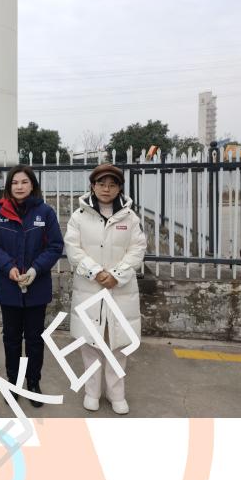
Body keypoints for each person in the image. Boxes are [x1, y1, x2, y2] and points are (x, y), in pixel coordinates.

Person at [64, 164, 146, 415]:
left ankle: (116, 394)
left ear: (119, 188)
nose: (106, 189)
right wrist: (95, 272)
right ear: (93, 186)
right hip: (90, 289)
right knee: (90, 344)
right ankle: (92, 393)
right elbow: (73, 249)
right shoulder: (79, 216)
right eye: (101, 184)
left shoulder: (130, 218)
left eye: (112, 185)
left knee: (117, 344)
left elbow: (137, 249)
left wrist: (116, 275)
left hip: (120, 291)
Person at [0, 165, 64, 406]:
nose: (19, 186)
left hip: (37, 287)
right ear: (9, 186)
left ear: (32, 185)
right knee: (11, 338)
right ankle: (14, 383)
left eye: (24, 182)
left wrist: (35, 269)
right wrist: (9, 267)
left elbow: (55, 246)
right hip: (9, 287)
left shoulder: (45, 213)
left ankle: (33, 383)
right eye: (15, 182)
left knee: (35, 338)